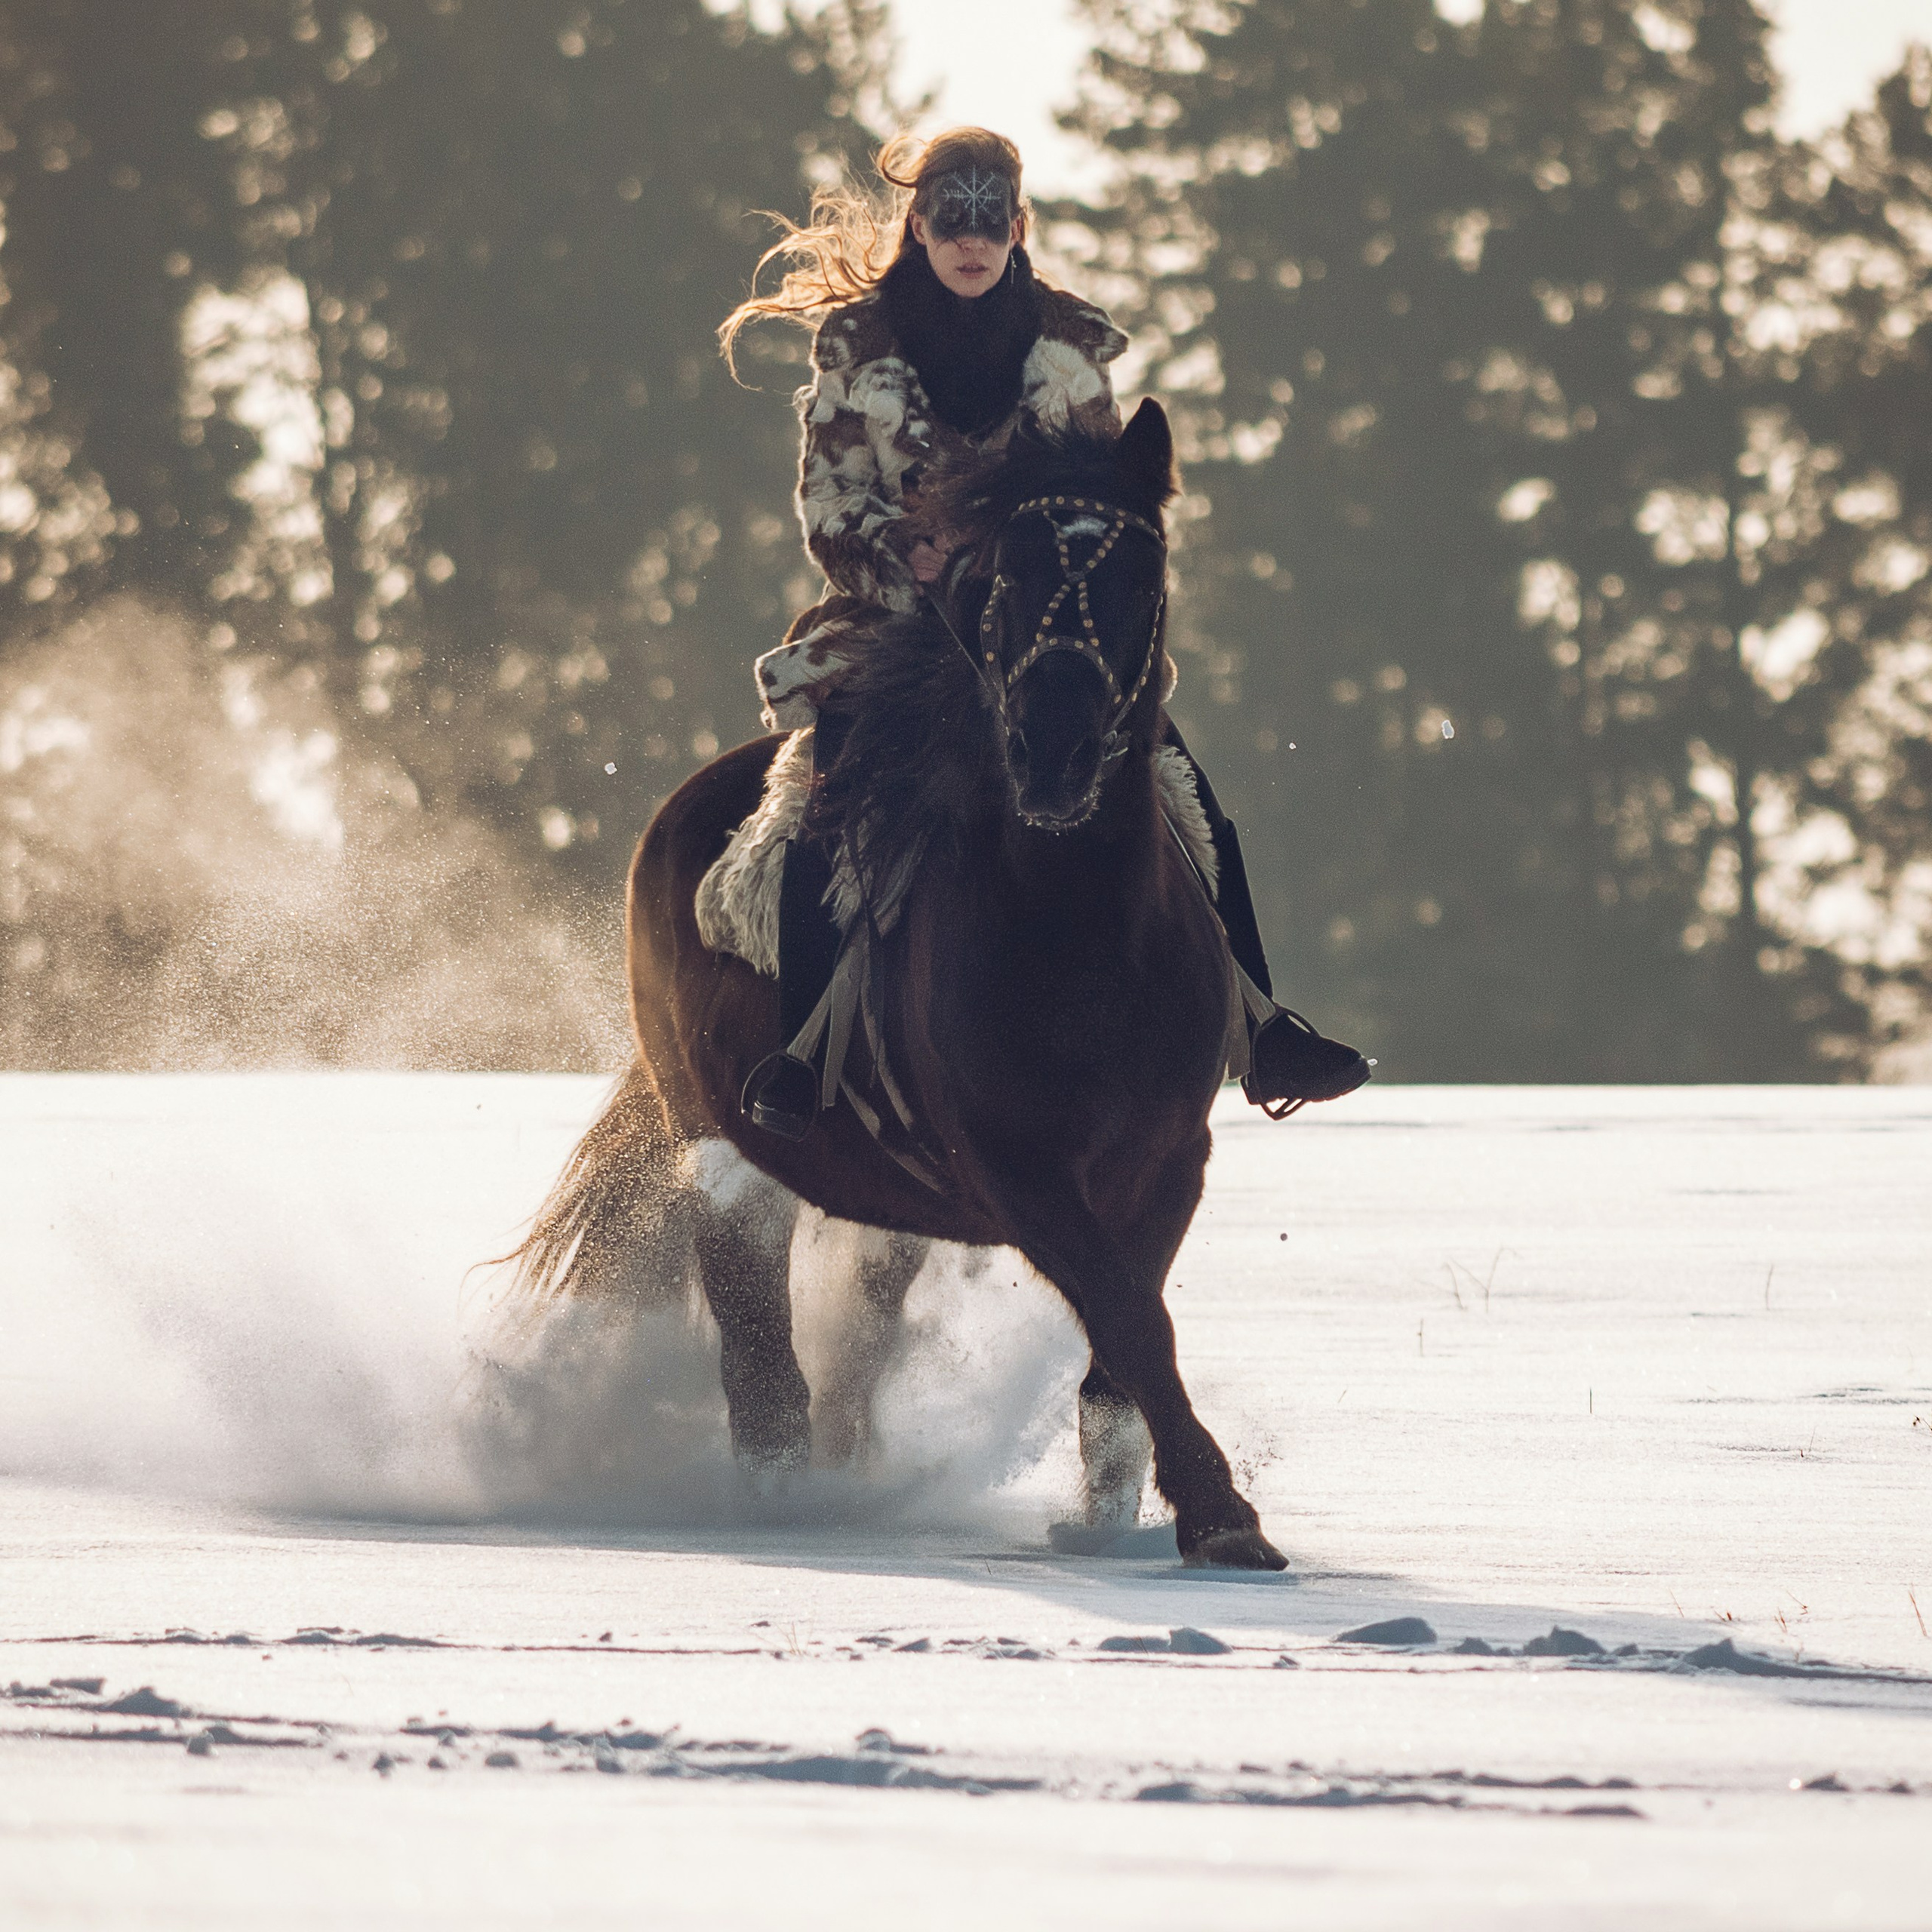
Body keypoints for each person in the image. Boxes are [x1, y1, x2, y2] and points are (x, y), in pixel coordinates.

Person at [718, 128, 1367, 1141]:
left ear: (1018, 227)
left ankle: (1262, 1023)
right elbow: (827, 506)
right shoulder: (854, 346)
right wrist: (906, 556)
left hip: (1041, 631)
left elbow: (1105, 492)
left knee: (1185, 789)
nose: (972, 241)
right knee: (828, 813)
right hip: (895, 628)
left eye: (992, 219)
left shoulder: (1074, 346)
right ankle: (807, 1054)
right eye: (951, 219)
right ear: (920, 226)